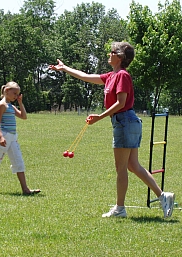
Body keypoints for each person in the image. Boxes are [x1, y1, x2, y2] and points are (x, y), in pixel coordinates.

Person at [49, 42, 174, 218]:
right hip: (126, 122)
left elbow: (120, 103)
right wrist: (65, 68)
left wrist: (99, 117)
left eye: (112, 52)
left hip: (124, 121)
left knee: (121, 168)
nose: (109, 54)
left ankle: (120, 209)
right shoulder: (111, 75)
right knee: (132, 165)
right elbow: (85, 76)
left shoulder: (122, 75)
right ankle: (163, 196)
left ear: (120, 57)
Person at [0, 81, 41, 195]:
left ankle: (25, 189)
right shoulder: (2, 105)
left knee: (18, 161)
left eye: (18, 94)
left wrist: (20, 103)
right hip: (4, 137)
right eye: (15, 93)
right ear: (6, 91)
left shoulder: (11, 106)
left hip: (12, 138)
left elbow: (24, 116)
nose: (16, 96)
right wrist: (1, 137)